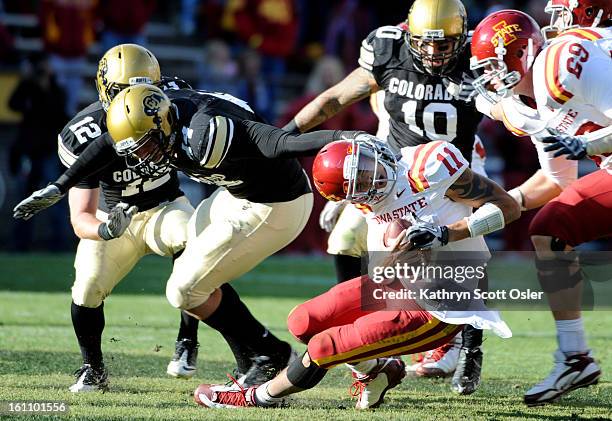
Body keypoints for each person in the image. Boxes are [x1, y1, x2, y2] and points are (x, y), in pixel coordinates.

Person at [15, 83, 365, 387]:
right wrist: (60, 186)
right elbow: (106, 145)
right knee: (193, 279)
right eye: (134, 149)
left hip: (275, 204)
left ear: (164, 124)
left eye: (146, 146)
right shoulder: (150, 118)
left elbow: (281, 143)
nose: (141, 157)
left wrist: (347, 139)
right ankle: (255, 359)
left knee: (183, 289)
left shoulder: (205, 131)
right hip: (234, 193)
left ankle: (273, 354)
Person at [193, 136, 520, 409]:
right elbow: (384, 268)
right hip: (397, 285)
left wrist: (445, 234)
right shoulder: (367, 198)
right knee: (303, 321)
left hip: (442, 304)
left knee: (323, 347)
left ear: (373, 151)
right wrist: (397, 256)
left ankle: (259, 397)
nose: (370, 184)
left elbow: (508, 207)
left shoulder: (428, 167)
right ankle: (376, 371)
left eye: (365, 172)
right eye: (359, 186)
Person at [283, 0, 491, 393]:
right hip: (392, 173)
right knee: (345, 241)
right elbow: (334, 99)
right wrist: (285, 135)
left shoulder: (476, 61)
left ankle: (470, 345)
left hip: (451, 171)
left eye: (444, 43)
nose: (433, 53)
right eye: (425, 43)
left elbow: (511, 110)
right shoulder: (389, 50)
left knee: (468, 252)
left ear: (461, 36)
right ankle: (373, 334)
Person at [12, 44, 201, 392]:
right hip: (114, 217)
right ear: (104, 90)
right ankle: (93, 368)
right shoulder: (84, 134)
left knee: (196, 243)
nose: (132, 99)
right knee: (86, 288)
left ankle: (187, 341)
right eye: (122, 91)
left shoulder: (170, 104)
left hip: (165, 205)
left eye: (141, 90)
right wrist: (105, 229)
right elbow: (80, 216)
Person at [468, 5, 611, 406]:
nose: (489, 79)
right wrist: (476, 221)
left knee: (552, 228)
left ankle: (574, 356)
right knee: (551, 230)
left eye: (493, 66)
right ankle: (574, 356)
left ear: (521, 53)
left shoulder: (564, 60)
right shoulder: (530, 101)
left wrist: (588, 145)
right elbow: (556, 181)